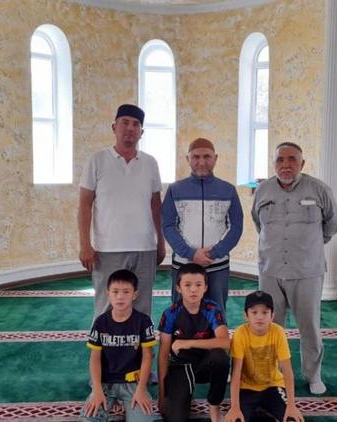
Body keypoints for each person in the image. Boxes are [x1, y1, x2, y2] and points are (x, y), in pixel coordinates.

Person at [251, 142, 337, 395]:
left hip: (307, 271)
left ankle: (313, 375)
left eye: (292, 159)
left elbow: (332, 224)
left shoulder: (319, 189)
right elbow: (258, 223)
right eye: (280, 160)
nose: (286, 165)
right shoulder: (263, 190)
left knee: (309, 326)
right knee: (269, 326)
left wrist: (310, 247)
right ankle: (271, 374)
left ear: (302, 163)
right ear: (274, 163)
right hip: (271, 269)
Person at [78, 104, 166, 321]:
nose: (130, 128)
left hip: (144, 248)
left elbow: (156, 206)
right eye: (124, 123)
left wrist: (161, 243)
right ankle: (103, 344)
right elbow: (84, 205)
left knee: (142, 307)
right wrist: (85, 245)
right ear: (114, 127)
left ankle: (141, 344)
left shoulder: (150, 163)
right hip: (107, 249)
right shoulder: (97, 160)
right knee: (106, 307)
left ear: (142, 132)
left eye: (136, 124)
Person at [162, 137, 243, 312]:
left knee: (216, 313)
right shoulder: (175, 189)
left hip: (217, 265)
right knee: (180, 313)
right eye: (196, 157)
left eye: (207, 156)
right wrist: (191, 254)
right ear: (188, 159)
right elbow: (168, 226)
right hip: (184, 265)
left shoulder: (228, 190)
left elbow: (236, 227)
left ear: (215, 158)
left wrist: (214, 253)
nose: (201, 162)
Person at [157, 263, 230, 422]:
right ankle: (180, 395)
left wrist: (188, 343)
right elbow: (162, 355)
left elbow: (225, 342)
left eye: (198, 285)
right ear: (178, 288)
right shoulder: (170, 313)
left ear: (205, 287)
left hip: (205, 365)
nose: (193, 290)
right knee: (175, 418)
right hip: (180, 367)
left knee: (221, 357)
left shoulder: (212, 309)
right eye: (187, 285)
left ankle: (214, 405)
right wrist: (162, 395)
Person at [81, 269, 156, 422]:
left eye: (126, 292)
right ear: (108, 294)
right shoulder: (101, 322)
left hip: (132, 382)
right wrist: (97, 390)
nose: (120, 296)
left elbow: (147, 356)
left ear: (135, 295)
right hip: (105, 381)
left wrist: (141, 389)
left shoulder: (143, 321)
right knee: (88, 419)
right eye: (115, 292)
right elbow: (94, 358)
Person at [225, 291, 304, 422]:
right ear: (246, 315)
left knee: (292, 419)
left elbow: (287, 370)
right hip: (246, 388)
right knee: (235, 419)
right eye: (254, 312)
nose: (259, 317)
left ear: (272, 315)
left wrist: (291, 405)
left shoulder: (278, 332)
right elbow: (236, 372)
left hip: (272, 386)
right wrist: (234, 407)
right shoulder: (240, 334)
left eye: (265, 312)